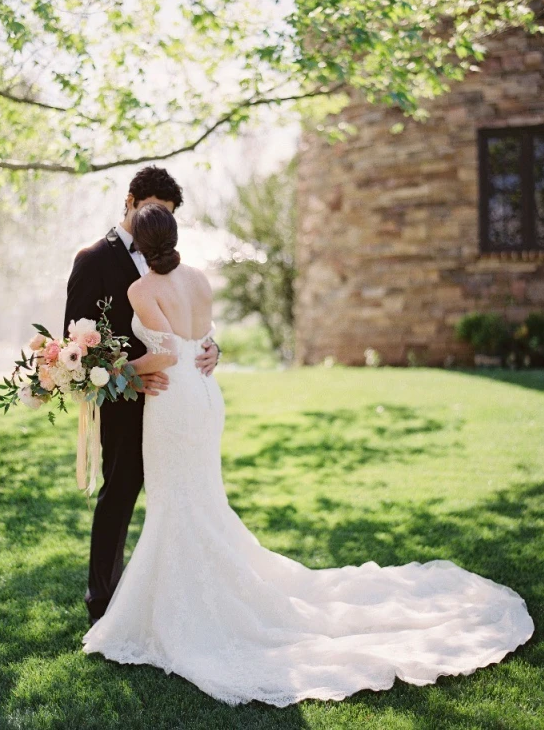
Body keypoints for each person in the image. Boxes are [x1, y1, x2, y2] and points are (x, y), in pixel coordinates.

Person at [82, 203, 534, 707]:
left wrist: (116, 366)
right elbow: (203, 341)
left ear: (140, 244)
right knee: (200, 498)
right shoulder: (199, 280)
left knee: (175, 502)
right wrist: (195, 354)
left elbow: (164, 353)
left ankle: (184, 611)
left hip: (173, 402)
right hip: (206, 396)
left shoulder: (141, 289)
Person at [64, 166, 219, 625]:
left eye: (168, 215)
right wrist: (130, 378)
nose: (161, 222)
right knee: (121, 492)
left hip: (174, 400)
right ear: (130, 201)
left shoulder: (165, 256)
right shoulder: (92, 259)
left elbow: (189, 321)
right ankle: (103, 603)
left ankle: (182, 599)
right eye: (154, 210)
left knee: (180, 497)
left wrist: (212, 347)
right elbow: (76, 344)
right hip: (126, 402)